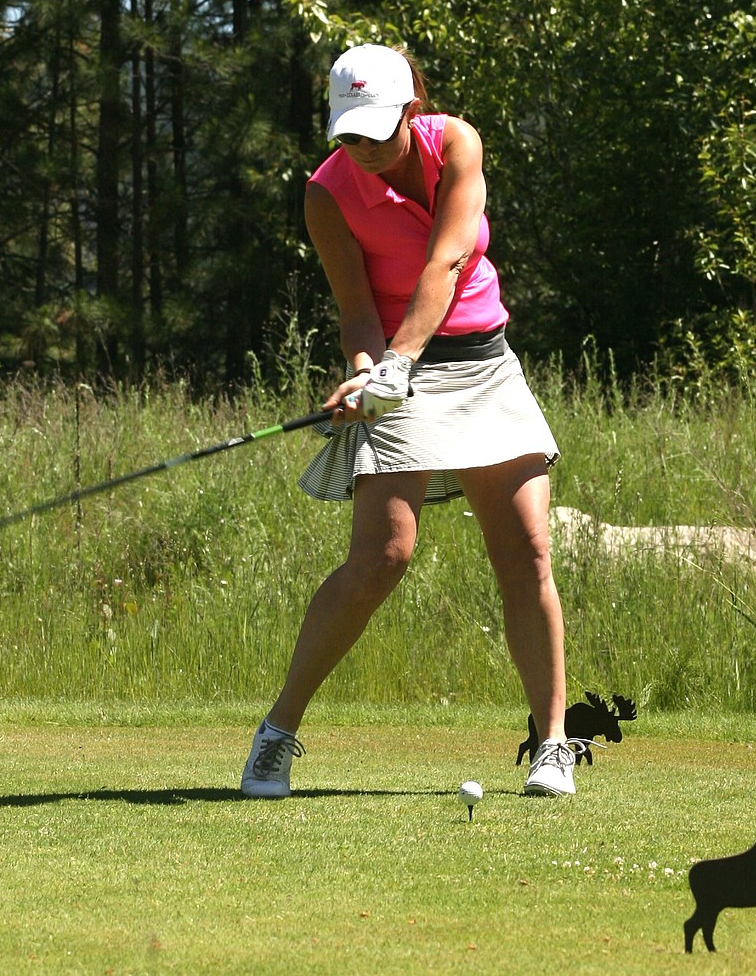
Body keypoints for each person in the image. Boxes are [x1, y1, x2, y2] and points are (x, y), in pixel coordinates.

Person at [241, 43, 574, 798]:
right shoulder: (326, 193)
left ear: (412, 110)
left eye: (375, 131)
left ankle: (551, 742)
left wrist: (399, 359)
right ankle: (276, 733)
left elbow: (449, 260)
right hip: (398, 371)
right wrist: (367, 373)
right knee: (382, 556)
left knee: (526, 549)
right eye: (347, 134)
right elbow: (356, 309)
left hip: (481, 363)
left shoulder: (456, 143)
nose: (360, 149)